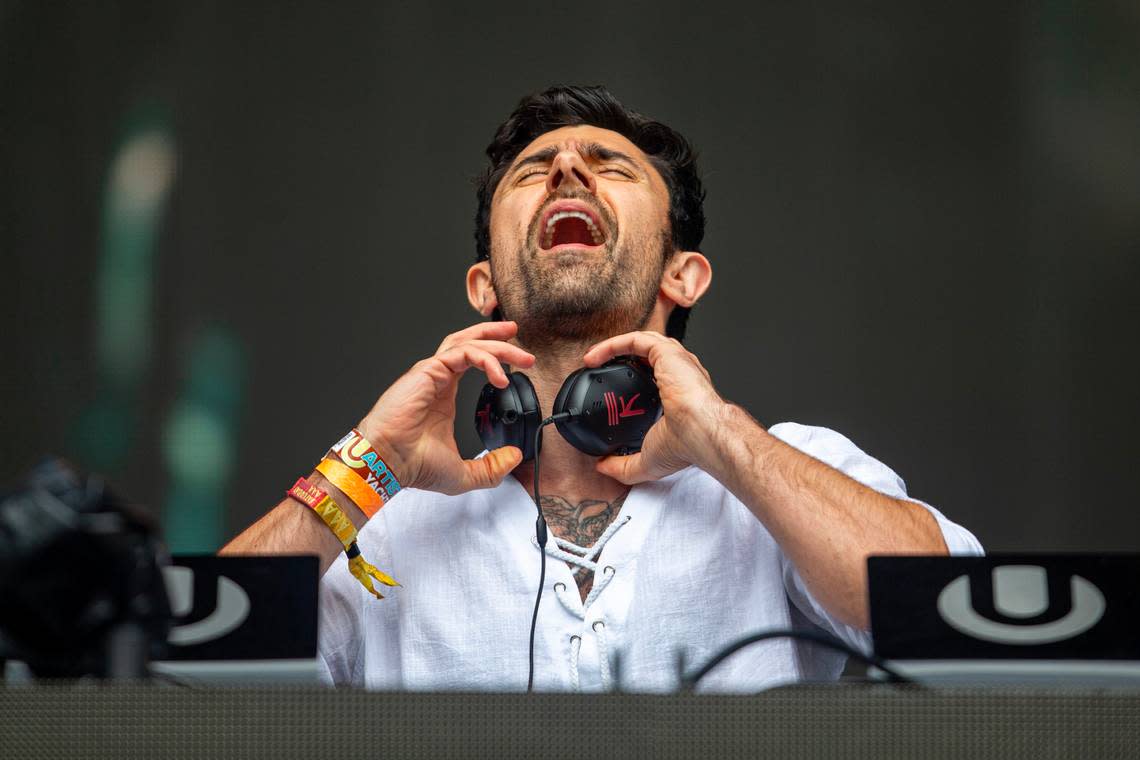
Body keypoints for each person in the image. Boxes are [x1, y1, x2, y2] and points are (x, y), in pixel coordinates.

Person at [221, 85, 982, 692]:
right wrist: (366, 465)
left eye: (611, 167)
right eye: (533, 170)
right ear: (484, 285)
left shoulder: (783, 471)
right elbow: (179, 684)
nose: (565, 171)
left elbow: (955, 627)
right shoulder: (381, 527)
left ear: (683, 275)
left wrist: (722, 439)